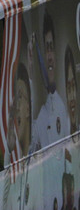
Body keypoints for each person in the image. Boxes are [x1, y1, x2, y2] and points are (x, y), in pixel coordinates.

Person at [31, 10, 69, 150]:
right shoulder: (39, 115)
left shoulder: (63, 108)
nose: (49, 57)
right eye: (46, 49)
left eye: (51, 48)